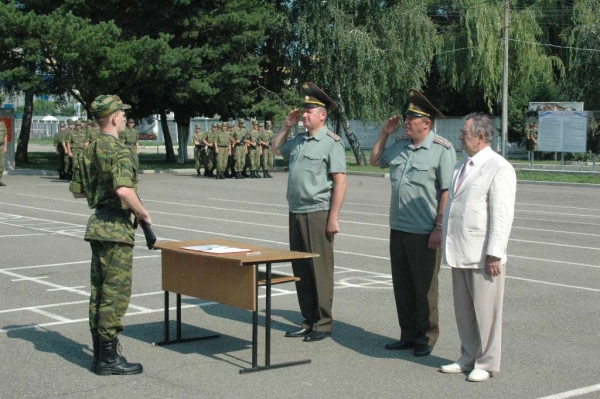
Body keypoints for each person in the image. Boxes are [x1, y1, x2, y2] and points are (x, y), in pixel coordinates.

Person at [369, 89, 456, 357]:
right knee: (403, 286)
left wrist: (439, 228)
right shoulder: (400, 145)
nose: (406, 123)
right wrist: (384, 133)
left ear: (426, 123)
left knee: (425, 289)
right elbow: (374, 161)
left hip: (424, 231)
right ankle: (407, 334)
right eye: (406, 118)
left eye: (411, 119)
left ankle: (426, 337)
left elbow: (446, 192)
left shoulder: (442, 149)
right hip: (399, 228)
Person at [70, 94, 152, 376]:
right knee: (114, 295)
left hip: (98, 225)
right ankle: (108, 359)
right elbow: (123, 190)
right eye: (122, 114)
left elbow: (79, 190)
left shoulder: (88, 149)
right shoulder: (119, 150)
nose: (124, 119)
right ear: (115, 117)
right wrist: (143, 213)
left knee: (99, 292)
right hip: (116, 228)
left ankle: (100, 353)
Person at [439, 113, 516, 382]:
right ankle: (468, 356)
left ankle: (487, 361)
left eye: (465, 133)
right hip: (459, 249)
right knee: (464, 311)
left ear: (481, 137)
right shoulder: (462, 165)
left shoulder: (499, 167)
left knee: (487, 312)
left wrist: (495, 253)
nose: (460, 137)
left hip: (483, 254)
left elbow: (502, 214)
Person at [272, 82, 347, 342]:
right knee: (302, 269)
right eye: (303, 110)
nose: (304, 114)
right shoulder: (299, 141)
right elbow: (274, 148)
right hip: (296, 211)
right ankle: (308, 319)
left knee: (320, 270)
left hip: (318, 212)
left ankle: (323, 323)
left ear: (322, 115)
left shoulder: (331, 143)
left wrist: (333, 218)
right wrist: (286, 126)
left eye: (309, 111)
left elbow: (340, 182)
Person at [0, 120, 7, 186]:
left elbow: (5, 136)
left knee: (1, 164)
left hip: (1, 146)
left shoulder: (2, 124)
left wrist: (5, 146)